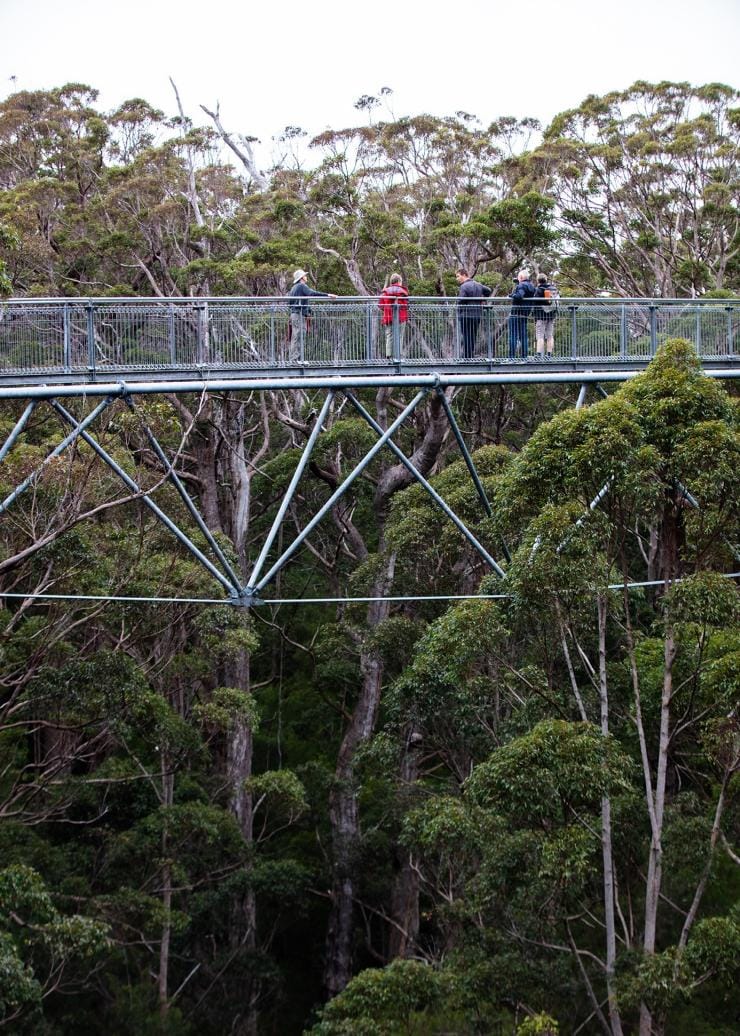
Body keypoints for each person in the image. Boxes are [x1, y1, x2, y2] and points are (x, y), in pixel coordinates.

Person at [287, 269, 337, 360]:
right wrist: (328, 295)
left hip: (295, 314)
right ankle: (295, 360)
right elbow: (312, 293)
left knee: (296, 336)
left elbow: (290, 303)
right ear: (302, 278)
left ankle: (295, 358)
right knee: (299, 336)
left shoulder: (293, 288)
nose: (306, 277)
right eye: (305, 276)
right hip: (299, 315)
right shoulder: (302, 286)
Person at [456, 269, 492, 359]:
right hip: (477, 315)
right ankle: (470, 355)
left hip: (466, 314)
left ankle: (467, 356)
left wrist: (458, 307)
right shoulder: (478, 285)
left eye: (458, 276)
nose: (457, 279)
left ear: (464, 275)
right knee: (472, 336)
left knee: (466, 336)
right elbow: (488, 290)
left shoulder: (464, 286)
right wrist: (481, 298)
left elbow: (461, 300)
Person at [378, 273, 409, 359]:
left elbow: (380, 305)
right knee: (400, 336)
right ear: (399, 281)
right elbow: (406, 305)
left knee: (389, 336)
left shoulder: (385, 292)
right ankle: (398, 355)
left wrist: (387, 309)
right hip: (401, 317)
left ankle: (389, 355)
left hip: (388, 317)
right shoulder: (403, 292)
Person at [508, 268, 535, 359]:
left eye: (518, 277)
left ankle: (511, 356)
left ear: (521, 277)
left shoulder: (521, 285)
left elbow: (519, 296)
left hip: (516, 313)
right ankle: (524, 356)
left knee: (513, 335)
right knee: (523, 336)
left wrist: (512, 295)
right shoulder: (531, 286)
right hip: (525, 313)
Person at [532, 272, 557, 358]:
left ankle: (539, 354)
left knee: (540, 335)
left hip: (541, 316)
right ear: (546, 280)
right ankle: (549, 355)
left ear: (538, 280)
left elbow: (534, 301)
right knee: (550, 335)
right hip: (551, 315)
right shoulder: (553, 289)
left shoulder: (539, 290)